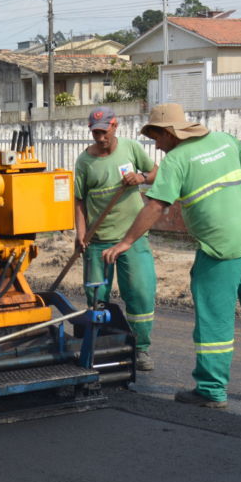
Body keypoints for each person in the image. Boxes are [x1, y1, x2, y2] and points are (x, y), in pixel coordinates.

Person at [103, 103, 241, 408]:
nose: (157, 146)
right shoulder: (225, 140)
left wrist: (125, 242)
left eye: (157, 138)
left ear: (170, 134)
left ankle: (211, 389)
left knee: (214, 321)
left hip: (220, 250)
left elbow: (155, 206)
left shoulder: (176, 161)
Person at [74, 106, 159, 370]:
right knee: (96, 296)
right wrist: (79, 234)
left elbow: (155, 172)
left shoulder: (131, 149)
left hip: (132, 238)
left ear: (115, 126)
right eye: (95, 133)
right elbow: (78, 200)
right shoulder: (85, 162)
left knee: (141, 294)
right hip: (98, 241)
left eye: (103, 132)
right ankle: (99, 345)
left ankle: (141, 349)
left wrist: (141, 177)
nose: (100, 138)